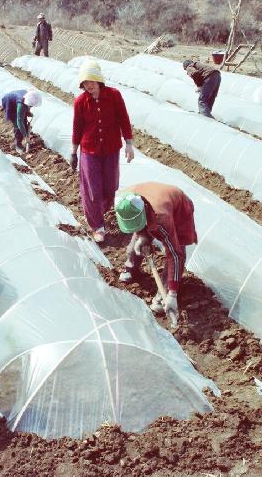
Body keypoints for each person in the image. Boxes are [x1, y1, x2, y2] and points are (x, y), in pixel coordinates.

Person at [114, 183, 197, 326]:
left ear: (144, 212)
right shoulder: (124, 201)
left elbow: (175, 255)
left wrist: (172, 293)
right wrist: (142, 236)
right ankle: (131, 268)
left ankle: (164, 294)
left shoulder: (161, 219)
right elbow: (136, 223)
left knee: (177, 248)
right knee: (136, 244)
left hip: (179, 210)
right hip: (152, 206)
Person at [70, 59, 134, 243]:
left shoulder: (114, 95)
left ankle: (103, 210)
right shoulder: (80, 101)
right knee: (92, 190)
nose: (88, 85)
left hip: (111, 149)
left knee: (110, 187)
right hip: (89, 151)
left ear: (98, 80)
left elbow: (123, 119)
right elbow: (77, 127)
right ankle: (97, 226)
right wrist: (74, 151)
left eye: (91, 81)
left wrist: (129, 143)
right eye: (84, 82)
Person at [1, 89, 42, 154]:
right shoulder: (21, 104)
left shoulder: (30, 96)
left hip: (17, 101)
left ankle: (21, 139)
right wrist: (26, 137)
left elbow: (28, 104)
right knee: (17, 125)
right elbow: (19, 122)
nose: (31, 107)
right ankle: (18, 144)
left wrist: (27, 111)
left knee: (24, 122)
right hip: (9, 103)